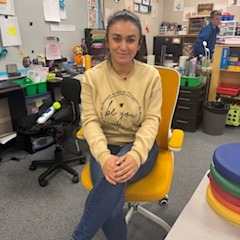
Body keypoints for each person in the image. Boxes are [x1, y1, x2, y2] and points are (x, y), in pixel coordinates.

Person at [71, 10, 162, 240]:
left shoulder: (151, 77)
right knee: (111, 209)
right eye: (117, 38)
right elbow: (90, 121)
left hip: (141, 146)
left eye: (130, 39)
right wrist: (103, 156)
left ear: (139, 42)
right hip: (105, 147)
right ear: (108, 41)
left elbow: (152, 121)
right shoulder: (92, 78)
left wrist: (134, 155)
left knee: (115, 179)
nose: (123, 46)